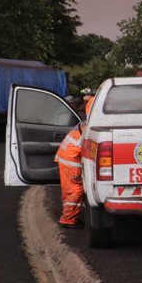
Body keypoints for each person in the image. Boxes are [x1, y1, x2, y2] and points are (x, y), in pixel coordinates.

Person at [55, 95, 92, 229]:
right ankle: (68, 220)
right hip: (71, 160)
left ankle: (70, 216)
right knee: (76, 189)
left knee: (69, 190)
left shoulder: (86, 122)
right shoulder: (90, 124)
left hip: (66, 157)